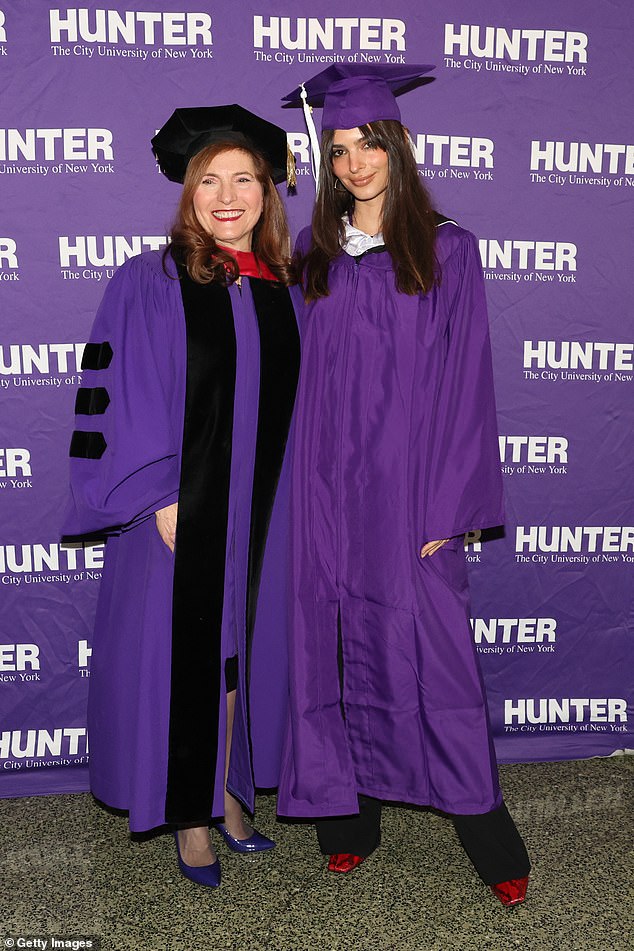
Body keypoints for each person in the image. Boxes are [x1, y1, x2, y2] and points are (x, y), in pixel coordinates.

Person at [278, 65, 531, 907]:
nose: (354, 164)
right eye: (339, 149)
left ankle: (489, 837)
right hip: (321, 495)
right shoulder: (312, 252)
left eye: (369, 146)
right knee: (333, 651)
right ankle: (348, 822)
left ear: (400, 145)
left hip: (408, 496)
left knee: (439, 661)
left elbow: (468, 384)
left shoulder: (447, 247)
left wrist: (448, 507)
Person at [63, 105, 300, 888]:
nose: (226, 196)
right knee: (185, 658)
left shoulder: (287, 291)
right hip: (176, 510)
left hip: (263, 516)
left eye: (244, 179)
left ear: (268, 192)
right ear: (187, 191)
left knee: (237, 659)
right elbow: (119, 388)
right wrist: (160, 492)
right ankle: (191, 821)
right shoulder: (151, 276)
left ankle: (233, 794)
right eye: (209, 180)